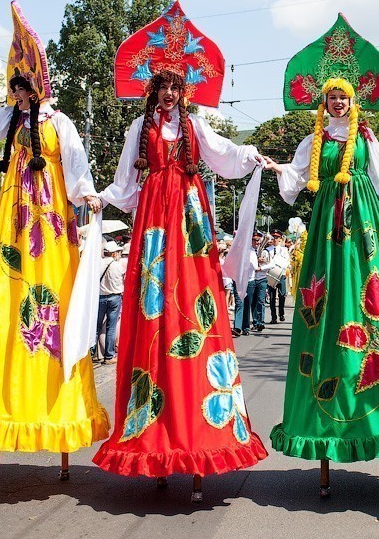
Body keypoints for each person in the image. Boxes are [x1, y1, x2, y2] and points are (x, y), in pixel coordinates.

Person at [0, 0, 109, 502]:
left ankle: (56, 416)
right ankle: (1, 400)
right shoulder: (8, 119)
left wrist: (88, 196)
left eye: (23, 84)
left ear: (39, 86)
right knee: (8, 310)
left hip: (50, 227)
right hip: (14, 227)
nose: (17, 92)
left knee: (52, 308)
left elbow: (76, 171)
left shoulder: (60, 123)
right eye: (13, 84)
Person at [93, 69, 267, 491]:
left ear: (182, 93)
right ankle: (154, 429)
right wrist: (94, 196)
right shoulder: (139, 128)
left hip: (189, 219)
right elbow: (124, 185)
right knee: (154, 310)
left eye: (175, 88)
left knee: (191, 309)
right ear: (152, 91)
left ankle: (199, 428)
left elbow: (225, 154)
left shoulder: (194, 126)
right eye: (162, 88)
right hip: (153, 218)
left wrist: (253, 157)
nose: (169, 94)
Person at [264, 71, 379, 493]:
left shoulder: (366, 136)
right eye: (332, 96)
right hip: (325, 224)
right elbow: (296, 178)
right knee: (326, 301)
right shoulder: (314, 138)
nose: (337, 102)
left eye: (343, 96)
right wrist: (272, 164)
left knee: (367, 293)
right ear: (324, 101)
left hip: (362, 221)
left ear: (352, 101)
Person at [95, 240, 124, 364]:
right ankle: (109, 355)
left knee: (95, 326)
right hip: (114, 298)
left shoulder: (98, 264)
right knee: (111, 327)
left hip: (100, 297)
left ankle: (91, 352)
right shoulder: (117, 265)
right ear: (113, 253)